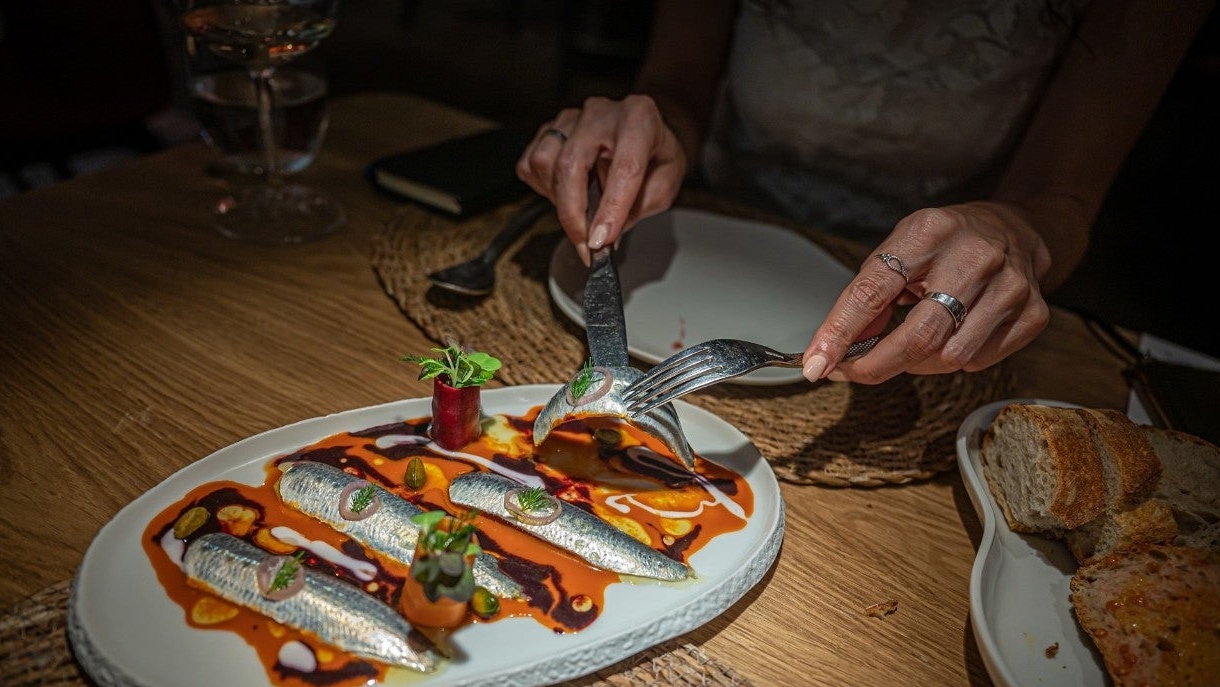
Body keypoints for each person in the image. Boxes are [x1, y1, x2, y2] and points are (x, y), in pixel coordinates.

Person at [516, 0, 1214, 384]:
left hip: (938, 304)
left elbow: (1059, 197)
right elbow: (680, 87)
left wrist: (1018, 233)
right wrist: (647, 128)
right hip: (711, 222)